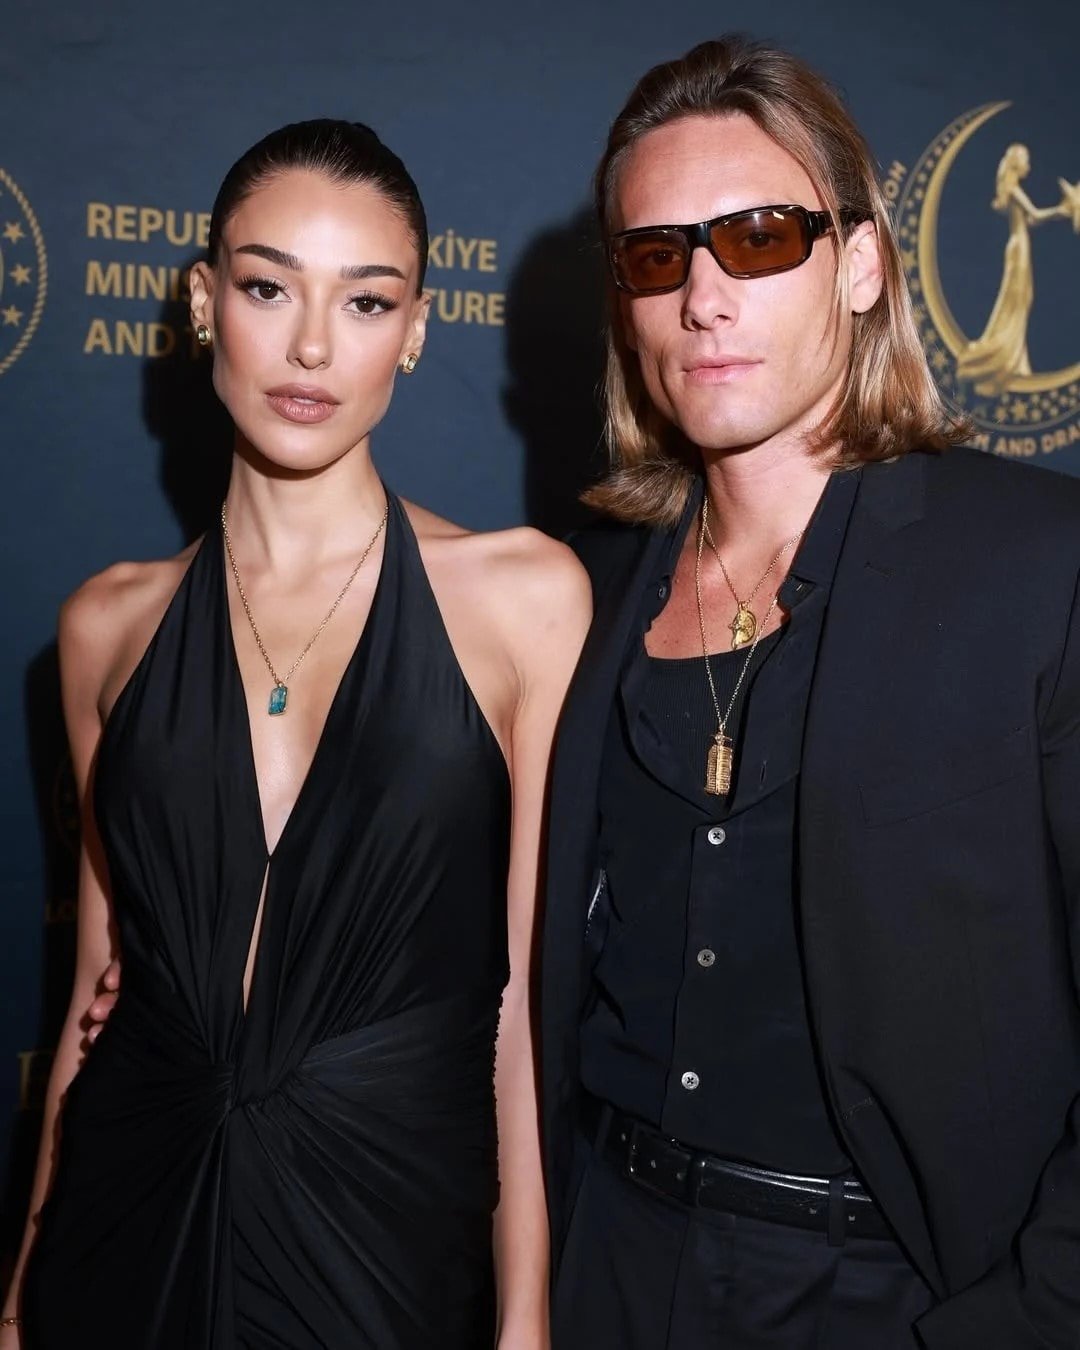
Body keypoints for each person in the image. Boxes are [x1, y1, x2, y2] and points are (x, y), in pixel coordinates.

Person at [2, 119, 589, 1349]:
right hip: (123, 1227)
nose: (312, 345)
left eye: (366, 302)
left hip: (389, 1244)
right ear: (203, 302)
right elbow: (90, 997)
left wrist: (526, 1318)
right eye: (269, 287)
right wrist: (15, 1297)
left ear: (415, 329)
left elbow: (526, 1015)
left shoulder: (523, 599)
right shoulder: (107, 627)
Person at [540, 37, 1080, 1350]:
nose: (704, 299)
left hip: (900, 1293)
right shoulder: (581, 592)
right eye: (657, 257)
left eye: (760, 238)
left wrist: (1032, 1317)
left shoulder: (1038, 566)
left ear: (860, 263)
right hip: (607, 1260)